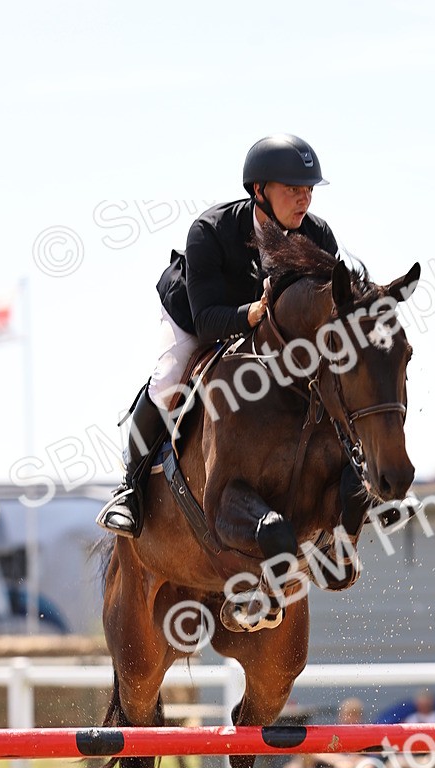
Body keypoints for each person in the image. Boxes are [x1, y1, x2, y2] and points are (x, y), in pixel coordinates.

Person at [97, 134, 337, 538]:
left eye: (309, 190)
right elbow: (207, 320)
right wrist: (252, 313)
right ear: (259, 191)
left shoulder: (317, 236)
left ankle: (353, 482)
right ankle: (131, 490)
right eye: (293, 190)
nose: (304, 200)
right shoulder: (211, 230)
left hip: (270, 328)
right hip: (196, 315)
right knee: (168, 380)